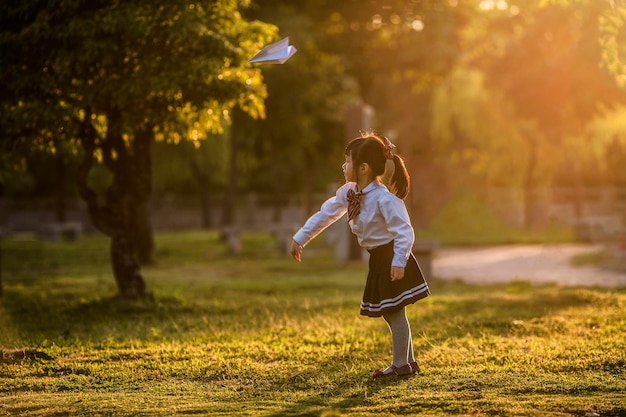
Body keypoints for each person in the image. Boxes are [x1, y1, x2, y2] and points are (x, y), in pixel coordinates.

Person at [290, 132, 430, 379]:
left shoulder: (384, 199)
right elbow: (326, 214)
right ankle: (407, 363)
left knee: (395, 311)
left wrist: (399, 261)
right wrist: (301, 237)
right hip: (378, 258)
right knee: (392, 311)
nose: (343, 166)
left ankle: (401, 365)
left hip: (392, 256)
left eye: (347, 161)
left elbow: (404, 231)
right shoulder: (349, 193)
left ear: (363, 168)